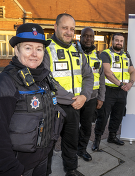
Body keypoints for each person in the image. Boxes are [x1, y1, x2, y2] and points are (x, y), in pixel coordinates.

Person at [0, 23, 66, 176]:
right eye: (28, 48)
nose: (34, 54)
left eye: (39, 49)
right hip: (18, 167)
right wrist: (11, 170)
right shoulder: (3, 84)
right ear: (17, 50)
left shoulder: (44, 79)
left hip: (42, 161)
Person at [44, 14, 94, 176]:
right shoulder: (46, 49)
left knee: (71, 141)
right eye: (65, 28)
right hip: (53, 106)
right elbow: (46, 79)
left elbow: (89, 76)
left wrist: (84, 96)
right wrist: (74, 99)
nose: (68, 32)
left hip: (75, 106)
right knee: (47, 144)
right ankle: (44, 172)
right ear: (55, 27)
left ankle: (71, 170)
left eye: (72, 29)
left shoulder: (77, 50)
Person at [92, 33, 135, 151]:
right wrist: (121, 84)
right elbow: (107, 72)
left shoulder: (126, 55)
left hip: (123, 91)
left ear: (123, 42)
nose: (119, 43)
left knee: (118, 115)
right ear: (112, 41)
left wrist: (130, 84)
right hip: (109, 90)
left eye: (121, 41)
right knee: (103, 116)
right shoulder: (106, 53)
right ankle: (96, 140)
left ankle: (112, 136)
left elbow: (133, 71)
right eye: (116, 40)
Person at [77, 27, 105, 161]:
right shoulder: (74, 52)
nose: (88, 39)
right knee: (71, 127)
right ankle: (71, 150)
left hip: (92, 99)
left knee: (86, 126)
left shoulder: (98, 55)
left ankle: (81, 150)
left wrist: (101, 97)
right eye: (85, 36)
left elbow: (101, 78)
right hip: (75, 98)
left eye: (91, 36)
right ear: (80, 37)